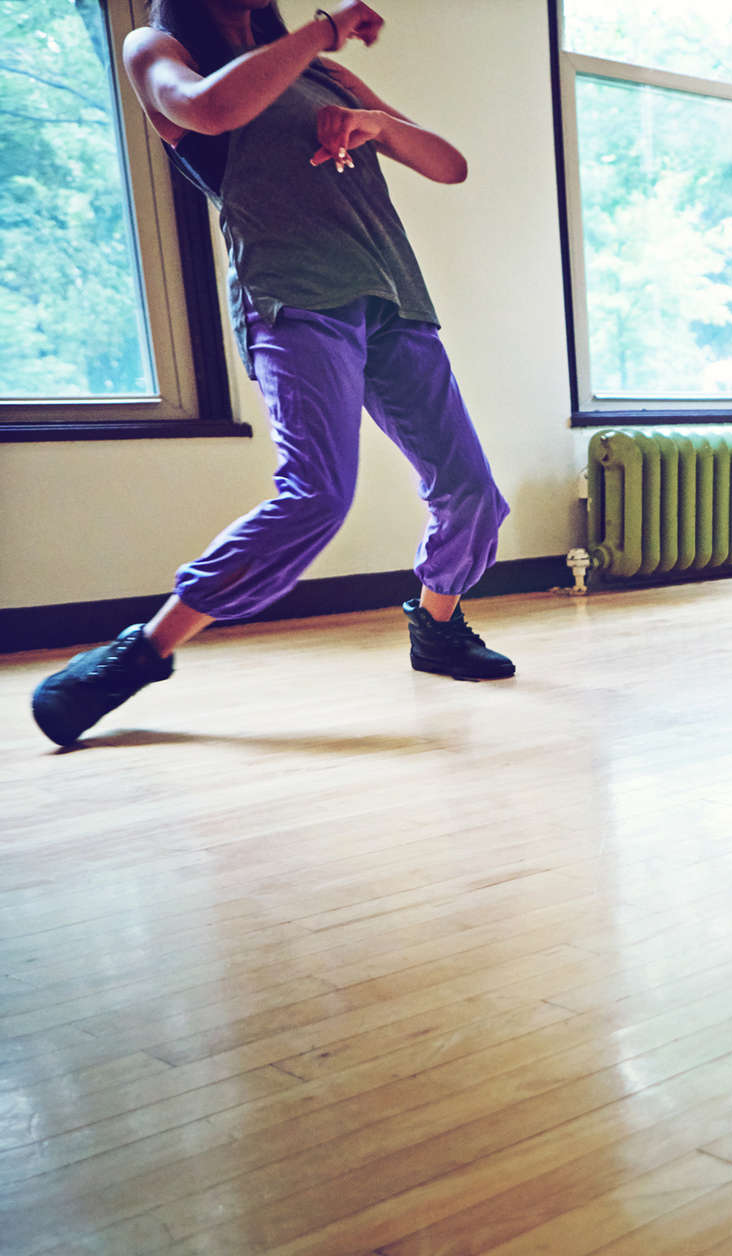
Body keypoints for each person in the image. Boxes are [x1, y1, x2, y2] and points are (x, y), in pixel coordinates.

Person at [30, 0, 512, 750]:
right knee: (318, 494)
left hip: (392, 297)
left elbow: (450, 165)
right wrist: (322, 27)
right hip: (291, 296)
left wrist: (376, 123)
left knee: (472, 491)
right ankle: (141, 651)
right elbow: (211, 110)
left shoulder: (324, 71)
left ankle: (438, 629)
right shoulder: (157, 48)